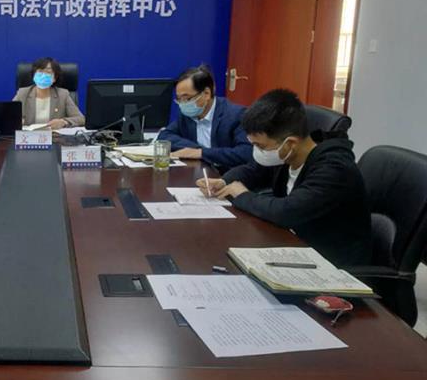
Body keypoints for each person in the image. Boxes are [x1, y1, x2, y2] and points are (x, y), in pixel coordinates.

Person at [197, 88, 372, 270]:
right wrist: (224, 182)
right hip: (292, 246)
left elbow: (287, 212)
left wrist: (242, 195)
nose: (257, 151)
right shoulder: (287, 154)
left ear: (290, 143)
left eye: (260, 146)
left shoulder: (334, 168)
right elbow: (253, 170)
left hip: (331, 264)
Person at [158, 64, 252, 171]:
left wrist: (202, 153)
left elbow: (246, 152)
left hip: (228, 175)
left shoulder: (235, 115)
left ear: (206, 93)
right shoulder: (187, 115)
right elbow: (164, 136)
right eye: (179, 99)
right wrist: (196, 150)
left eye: (187, 98)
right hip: (199, 172)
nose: (183, 104)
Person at [13, 57, 85, 129]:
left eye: (48, 72)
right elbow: (8, 116)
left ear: (54, 78)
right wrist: (15, 121)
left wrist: (63, 122)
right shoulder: (22, 93)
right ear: (34, 75)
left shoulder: (63, 95)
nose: (43, 76)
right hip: (29, 135)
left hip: (54, 135)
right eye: (40, 71)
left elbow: (81, 119)